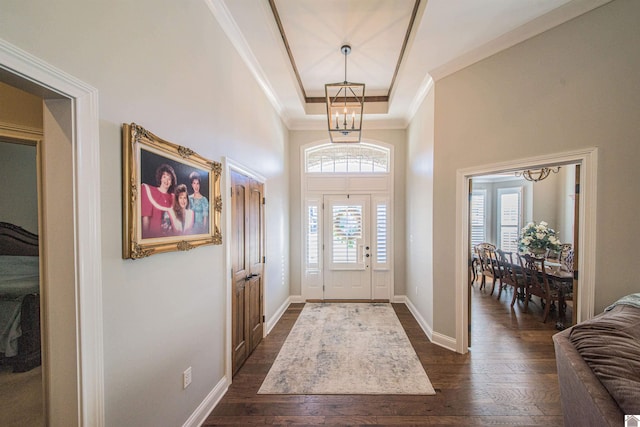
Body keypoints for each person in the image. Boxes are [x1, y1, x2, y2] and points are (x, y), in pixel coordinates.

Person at [140, 163, 176, 238]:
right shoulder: (149, 191)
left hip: (168, 237)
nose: (166, 180)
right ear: (160, 178)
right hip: (153, 237)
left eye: (169, 178)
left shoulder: (173, 197)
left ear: (171, 182)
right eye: (164, 177)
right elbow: (146, 217)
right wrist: (145, 237)